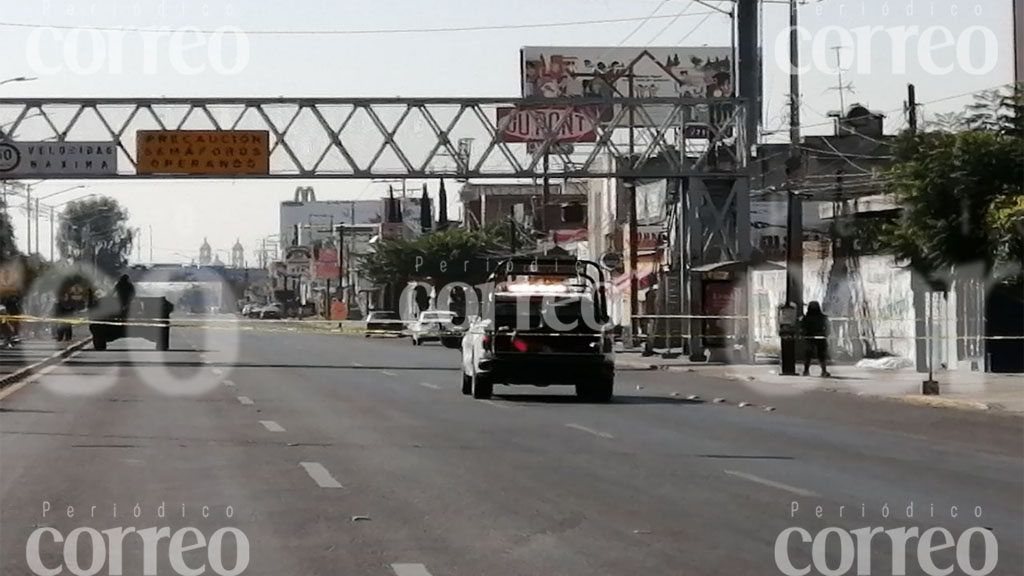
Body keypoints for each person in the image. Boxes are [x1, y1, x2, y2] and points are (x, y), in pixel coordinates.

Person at [801, 301, 831, 377]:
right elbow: (828, 327)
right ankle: (822, 371)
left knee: (809, 355)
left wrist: (803, 334)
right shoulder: (822, 317)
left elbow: (802, 327)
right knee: (820, 355)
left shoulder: (806, 318)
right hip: (818, 337)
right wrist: (825, 334)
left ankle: (806, 371)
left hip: (811, 337)